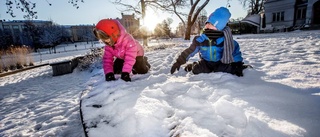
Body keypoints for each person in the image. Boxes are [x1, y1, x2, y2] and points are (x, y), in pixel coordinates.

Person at [170, 7, 245, 77]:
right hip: (206, 62)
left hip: (221, 62)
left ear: (219, 27)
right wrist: (179, 61)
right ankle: (192, 65)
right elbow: (190, 51)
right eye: (207, 23)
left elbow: (235, 52)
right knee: (197, 70)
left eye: (211, 24)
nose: (207, 25)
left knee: (229, 70)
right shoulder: (200, 40)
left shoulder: (226, 40)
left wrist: (237, 64)